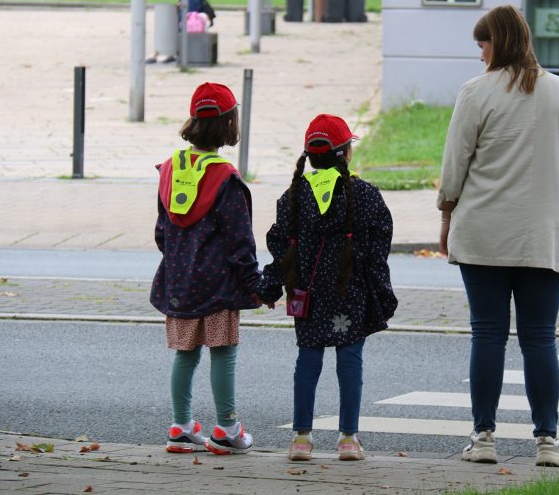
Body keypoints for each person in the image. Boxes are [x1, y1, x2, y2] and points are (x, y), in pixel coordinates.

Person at [437, 4, 559, 468]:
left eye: (481, 45)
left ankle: (483, 438)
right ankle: (547, 441)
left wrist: (445, 214)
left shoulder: (476, 93)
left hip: (483, 231)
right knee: (540, 338)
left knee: (487, 335)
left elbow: (455, 166)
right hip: (546, 232)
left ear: (496, 42)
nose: (479, 54)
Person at [257, 114, 397, 462]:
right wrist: (383, 295)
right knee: (350, 360)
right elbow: (378, 253)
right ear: (346, 152)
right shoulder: (365, 195)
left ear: (309, 155)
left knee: (308, 359)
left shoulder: (294, 196)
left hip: (306, 293)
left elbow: (281, 247)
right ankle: (348, 438)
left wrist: (271, 286)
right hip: (351, 291)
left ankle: (301, 440)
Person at [150, 82, 259, 455]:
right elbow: (239, 241)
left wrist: (180, 262)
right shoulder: (226, 179)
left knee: (185, 353)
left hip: (178, 280)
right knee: (223, 351)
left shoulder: (169, 169)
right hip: (218, 286)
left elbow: (162, 233)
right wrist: (253, 284)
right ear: (230, 125)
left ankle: (181, 427)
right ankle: (227, 428)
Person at [147, 0, 216, 64]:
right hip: (191, 26)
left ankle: (158, 54)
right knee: (168, 29)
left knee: (168, 30)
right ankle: (162, 53)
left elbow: (188, 15)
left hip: (192, 27)